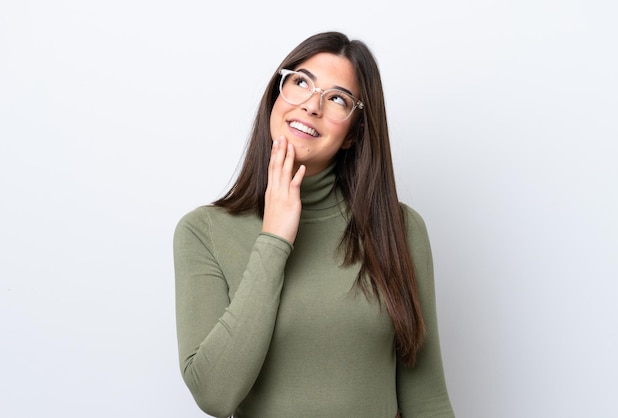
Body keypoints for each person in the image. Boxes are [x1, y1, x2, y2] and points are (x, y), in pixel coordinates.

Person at [173, 31, 455, 418]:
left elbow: (428, 400)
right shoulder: (203, 232)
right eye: (301, 82)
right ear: (277, 96)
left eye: (337, 98)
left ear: (354, 133)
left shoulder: (399, 229)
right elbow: (214, 395)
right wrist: (273, 240)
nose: (311, 106)